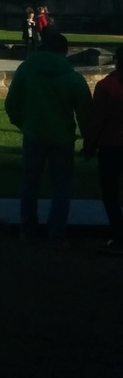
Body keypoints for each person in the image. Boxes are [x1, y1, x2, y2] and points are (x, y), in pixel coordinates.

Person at [5, 31, 92, 245]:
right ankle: (57, 234)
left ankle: (28, 230)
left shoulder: (26, 70)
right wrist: (89, 140)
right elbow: (85, 114)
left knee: (30, 184)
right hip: (62, 137)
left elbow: (12, 103)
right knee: (61, 188)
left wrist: (23, 123)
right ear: (64, 52)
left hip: (34, 133)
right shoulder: (72, 77)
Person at [83, 48, 123, 253]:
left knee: (110, 193)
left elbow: (97, 119)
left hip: (111, 144)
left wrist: (90, 144)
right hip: (111, 142)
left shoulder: (106, 86)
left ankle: (119, 237)